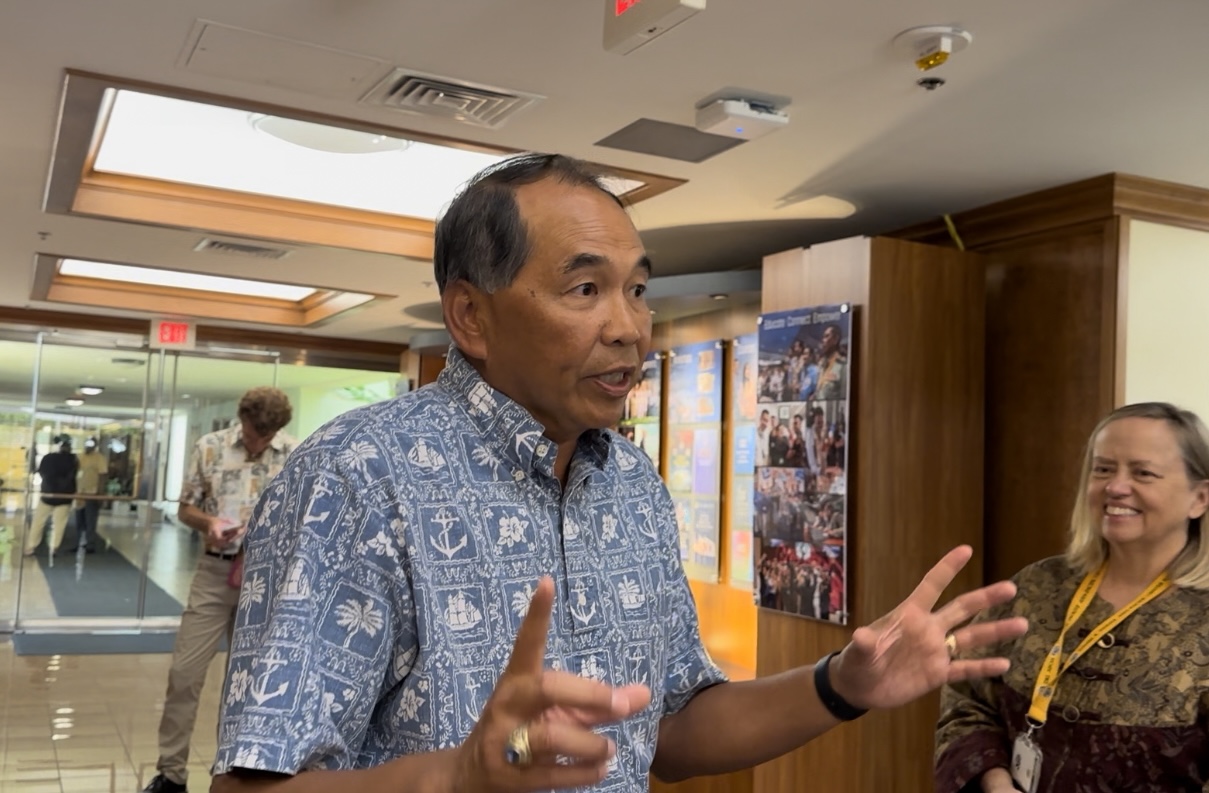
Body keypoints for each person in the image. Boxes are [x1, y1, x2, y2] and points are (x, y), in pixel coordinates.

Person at [210, 153, 1026, 793]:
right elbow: (253, 783)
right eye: (586, 287)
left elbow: (670, 727)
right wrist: (457, 776)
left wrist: (839, 683)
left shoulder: (630, 482)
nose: (631, 328)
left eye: (637, 289)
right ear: (470, 315)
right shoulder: (355, 475)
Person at [935, 402, 1209, 793]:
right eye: (1102, 469)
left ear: (1199, 499)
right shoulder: (1038, 586)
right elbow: (967, 700)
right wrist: (994, 783)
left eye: (1143, 472)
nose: (1115, 486)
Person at [142, 388, 296, 793]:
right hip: (215, 574)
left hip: (266, 581)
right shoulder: (209, 447)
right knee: (184, 673)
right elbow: (185, 508)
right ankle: (171, 774)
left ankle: (235, 775)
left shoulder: (295, 454)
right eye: (251, 433)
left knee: (250, 683)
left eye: (266, 438)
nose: (257, 443)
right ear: (240, 418)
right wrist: (208, 524)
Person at [23, 434, 78, 557]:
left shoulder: (48, 458)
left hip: (47, 495)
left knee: (38, 522)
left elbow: (41, 473)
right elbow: (73, 476)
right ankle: (54, 547)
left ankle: (31, 546)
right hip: (65, 497)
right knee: (59, 523)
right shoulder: (73, 459)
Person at [71, 436, 108, 553]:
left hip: (92, 493)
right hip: (79, 493)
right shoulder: (80, 456)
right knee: (79, 520)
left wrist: (100, 494)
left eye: (92, 443)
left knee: (90, 520)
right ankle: (77, 543)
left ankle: (90, 544)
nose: (89, 446)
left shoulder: (99, 458)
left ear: (95, 445)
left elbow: (103, 475)